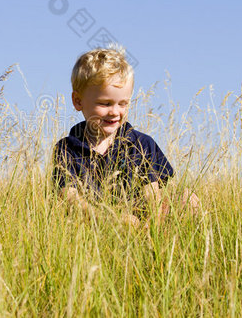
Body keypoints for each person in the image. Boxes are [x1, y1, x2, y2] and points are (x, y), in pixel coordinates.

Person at [53, 48, 198, 226]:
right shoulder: (68, 148)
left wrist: (149, 225)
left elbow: (152, 195)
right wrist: (110, 221)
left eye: (123, 104)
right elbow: (69, 197)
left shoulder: (141, 144)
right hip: (96, 222)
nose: (115, 112)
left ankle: (158, 246)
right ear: (78, 101)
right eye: (105, 103)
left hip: (141, 221)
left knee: (188, 197)